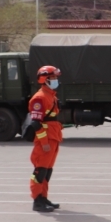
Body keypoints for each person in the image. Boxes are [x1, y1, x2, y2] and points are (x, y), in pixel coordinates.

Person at [29, 66, 63, 212]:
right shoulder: (40, 98)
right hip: (46, 140)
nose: (56, 80)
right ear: (45, 79)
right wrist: (44, 142)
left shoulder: (51, 95)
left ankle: (43, 198)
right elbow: (36, 123)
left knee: (47, 171)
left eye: (56, 78)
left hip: (53, 138)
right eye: (53, 78)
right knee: (40, 171)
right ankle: (37, 201)